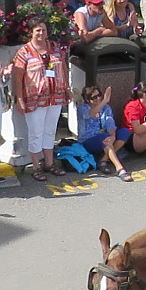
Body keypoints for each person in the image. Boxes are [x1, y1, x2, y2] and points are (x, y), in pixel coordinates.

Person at [12, 19, 71, 182]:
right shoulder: (24, 52)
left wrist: (67, 88)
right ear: (31, 32)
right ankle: (37, 166)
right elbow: (17, 78)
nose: (41, 33)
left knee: (50, 131)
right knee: (36, 133)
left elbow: (63, 68)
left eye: (43, 30)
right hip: (34, 99)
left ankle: (50, 163)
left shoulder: (55, 48)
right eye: (37, 30)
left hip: (56, 97)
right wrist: (19, 99)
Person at [77, 85, 134, 181]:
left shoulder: (106, 108)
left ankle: (104, 160)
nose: (98, 98)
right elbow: (90, 114)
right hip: (88, 140)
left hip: (105, 137)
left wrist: (113, 136)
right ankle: (120, 169)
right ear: (87, 100)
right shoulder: (82, 108)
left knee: (125, 132)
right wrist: (104, 101)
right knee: (105, 138)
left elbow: (110, 123)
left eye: (99, 95)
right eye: (94, 97)